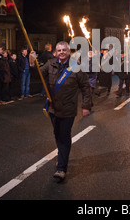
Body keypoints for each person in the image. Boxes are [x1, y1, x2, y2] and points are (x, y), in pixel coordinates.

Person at [40, 41, 92, 182]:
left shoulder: (76, 67)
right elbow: (38, 74)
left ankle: (61, 168)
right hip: (52, 108)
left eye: (64, 50)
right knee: (57, 134)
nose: (61, 52)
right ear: (55, 52)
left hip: (68, 109)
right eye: (59, 50)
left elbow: (86, 87)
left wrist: (86, 106)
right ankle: (62, 156)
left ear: (69, 52)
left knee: (64, 136)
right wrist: (32, 62)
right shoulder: (50, 64)